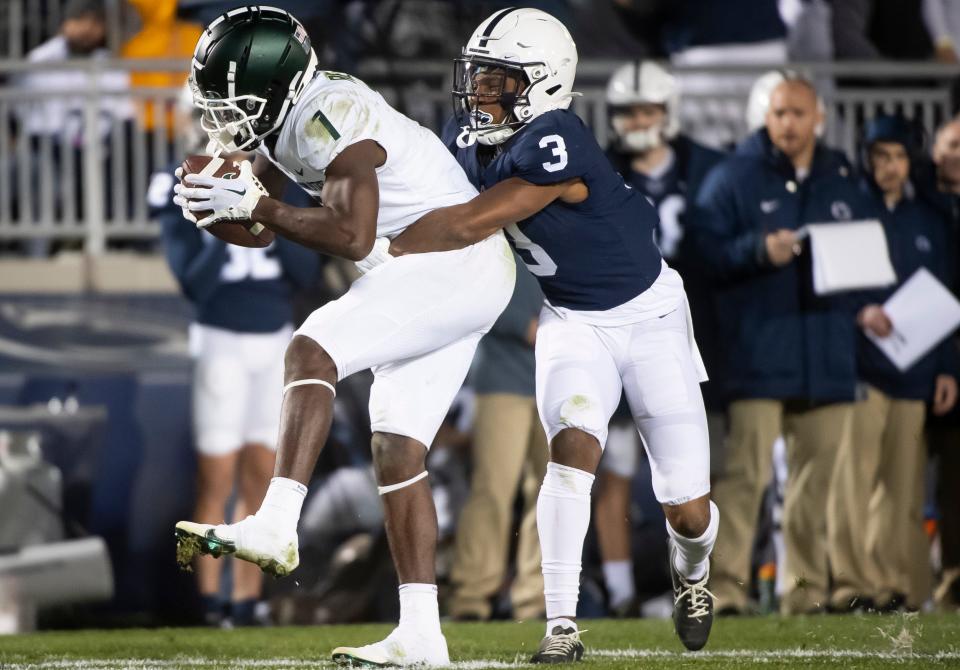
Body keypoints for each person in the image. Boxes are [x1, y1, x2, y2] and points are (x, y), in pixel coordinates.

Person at [171, 6, 515, 666]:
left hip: (452, 260)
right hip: (444, 270)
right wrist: (216, 210)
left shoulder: (332, 113)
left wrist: (258, 205)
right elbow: (266, 228)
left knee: (310, 348)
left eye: (233, 99)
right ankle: (422, 634)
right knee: (396, 450)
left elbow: (349, 235)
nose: (220, 114)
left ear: (278, 86)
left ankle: (276, 522)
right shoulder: (281, 123)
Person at [390, 8, 719, 659]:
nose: (480, 93)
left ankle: (694, 567)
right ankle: (560, 625)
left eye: (498, 81)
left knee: (687, 506)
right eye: (479, 78)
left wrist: (374, 240)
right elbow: (410, 182)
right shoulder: (469, 134)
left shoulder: (556, 134)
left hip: (650, 318)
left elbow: (469, 222)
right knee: (571, 451)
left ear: (542, 83)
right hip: (572, 319)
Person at [689, 75, 871, 615]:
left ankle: (806, 593)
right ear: (765, 118)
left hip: (828, 354)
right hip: (759, 354)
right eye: (779, 113)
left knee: (815, 487)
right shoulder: (732, 177)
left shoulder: (844, 177)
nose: (788, 123)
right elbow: (702, 255)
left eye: (798, 113)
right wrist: (755, 250)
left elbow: (873, 256)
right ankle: (724, 590)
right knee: (745, 480)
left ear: (819, 117)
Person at [152, 86, 318, 626]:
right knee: (215, 479)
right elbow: (193, 282)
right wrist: (217, 210)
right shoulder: (178, 183)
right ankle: (208, 600)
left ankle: (246, 601)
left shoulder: (278, 183)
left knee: (258, 479)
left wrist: (263, 205)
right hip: (221, 339)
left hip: (273, 342)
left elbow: (307, 273)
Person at [596, 59, 725, 616]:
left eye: (648, 110)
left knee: (694, 472)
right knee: (617, 468)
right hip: (620, 326)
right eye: (629, 111)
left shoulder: (710, 170)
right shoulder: (596, 167)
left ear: (669, 113)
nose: (638, 121)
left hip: (686, 332)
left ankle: (700, 573)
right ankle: (623, 593)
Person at [828, 114, 958, 613]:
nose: (890, 166)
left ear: (911, 161)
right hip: (862, 364)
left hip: (915, 369)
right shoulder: (850, 210)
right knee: (854, 481)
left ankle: (890, 586)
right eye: (881, 156)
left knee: (902, 487)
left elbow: (945, 299)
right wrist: (860, 312)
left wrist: (947, 367)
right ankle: (850, 585)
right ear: (868, 158)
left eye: (899, 156)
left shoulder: (929, 217)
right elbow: (834, 283)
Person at [449, 265, 548, 623]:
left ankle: (535, 599)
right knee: (492, 488)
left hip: (558, 376)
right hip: (503, 377)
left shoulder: (564, 225)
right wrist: (525, 325)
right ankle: (471, 596)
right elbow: (474, 292)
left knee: (550, 495)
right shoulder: (497, 227)